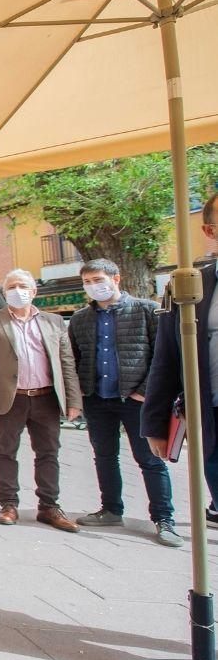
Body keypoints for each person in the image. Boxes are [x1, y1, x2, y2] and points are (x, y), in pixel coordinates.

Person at [68, 259, 181, 547]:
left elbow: (162, 356)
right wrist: (81, 393)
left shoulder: (146, 311)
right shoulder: (81, 319)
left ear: (116, 278)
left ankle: (163, 518)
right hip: (98, 398)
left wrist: (145, 391)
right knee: (104, 456)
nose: (94, 286)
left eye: (98, 279)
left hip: (137, 400)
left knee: (150, 460)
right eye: (88, 281)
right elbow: (77, 358)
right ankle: (111, 509)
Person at [0, 269, 82, 532]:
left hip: (46, 398)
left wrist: (73, 400)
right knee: (5, 451)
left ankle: (49, 506)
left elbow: (66, 363)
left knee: (48, 453)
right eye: (11, 286)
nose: (17, 291)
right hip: (10, 399)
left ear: (34, 292)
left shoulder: (54, 322)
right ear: (4, 291)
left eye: (22, 286)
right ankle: (8, 503)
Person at [143, 193, 218, 528]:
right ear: (209, 230)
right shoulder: (189, 287)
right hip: (213, 419)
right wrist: (155, 423)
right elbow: (167, 359)